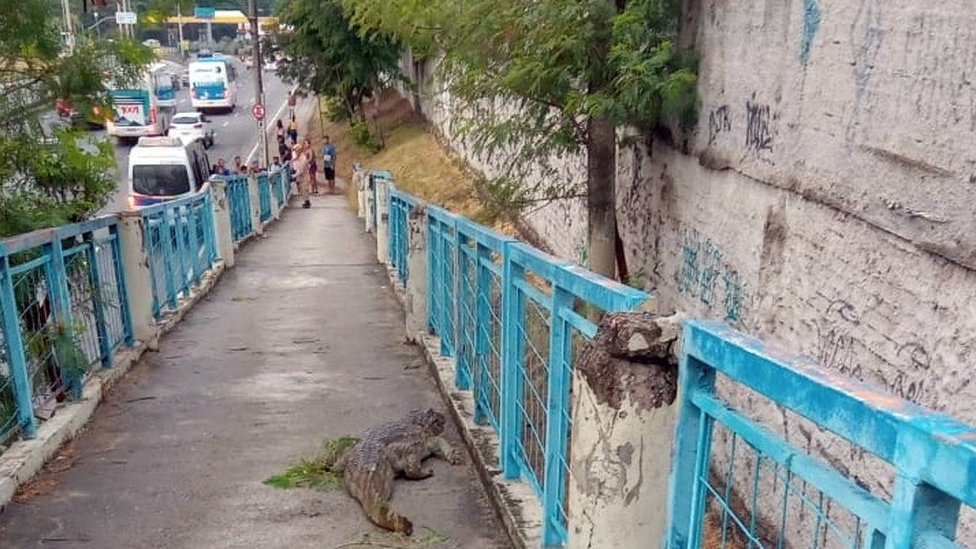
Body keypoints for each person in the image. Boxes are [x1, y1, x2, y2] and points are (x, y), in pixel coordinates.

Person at [292, 142, 311, 208]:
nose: (296, 153)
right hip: (301, 176)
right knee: (302, 189)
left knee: (304, 189)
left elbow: (301, 170)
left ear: (299, 151)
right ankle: (305, 201)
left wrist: (294, 175)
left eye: (296, 151)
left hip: (304, 175)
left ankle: (307, 202)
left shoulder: (303, 158)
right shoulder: (299, 157)